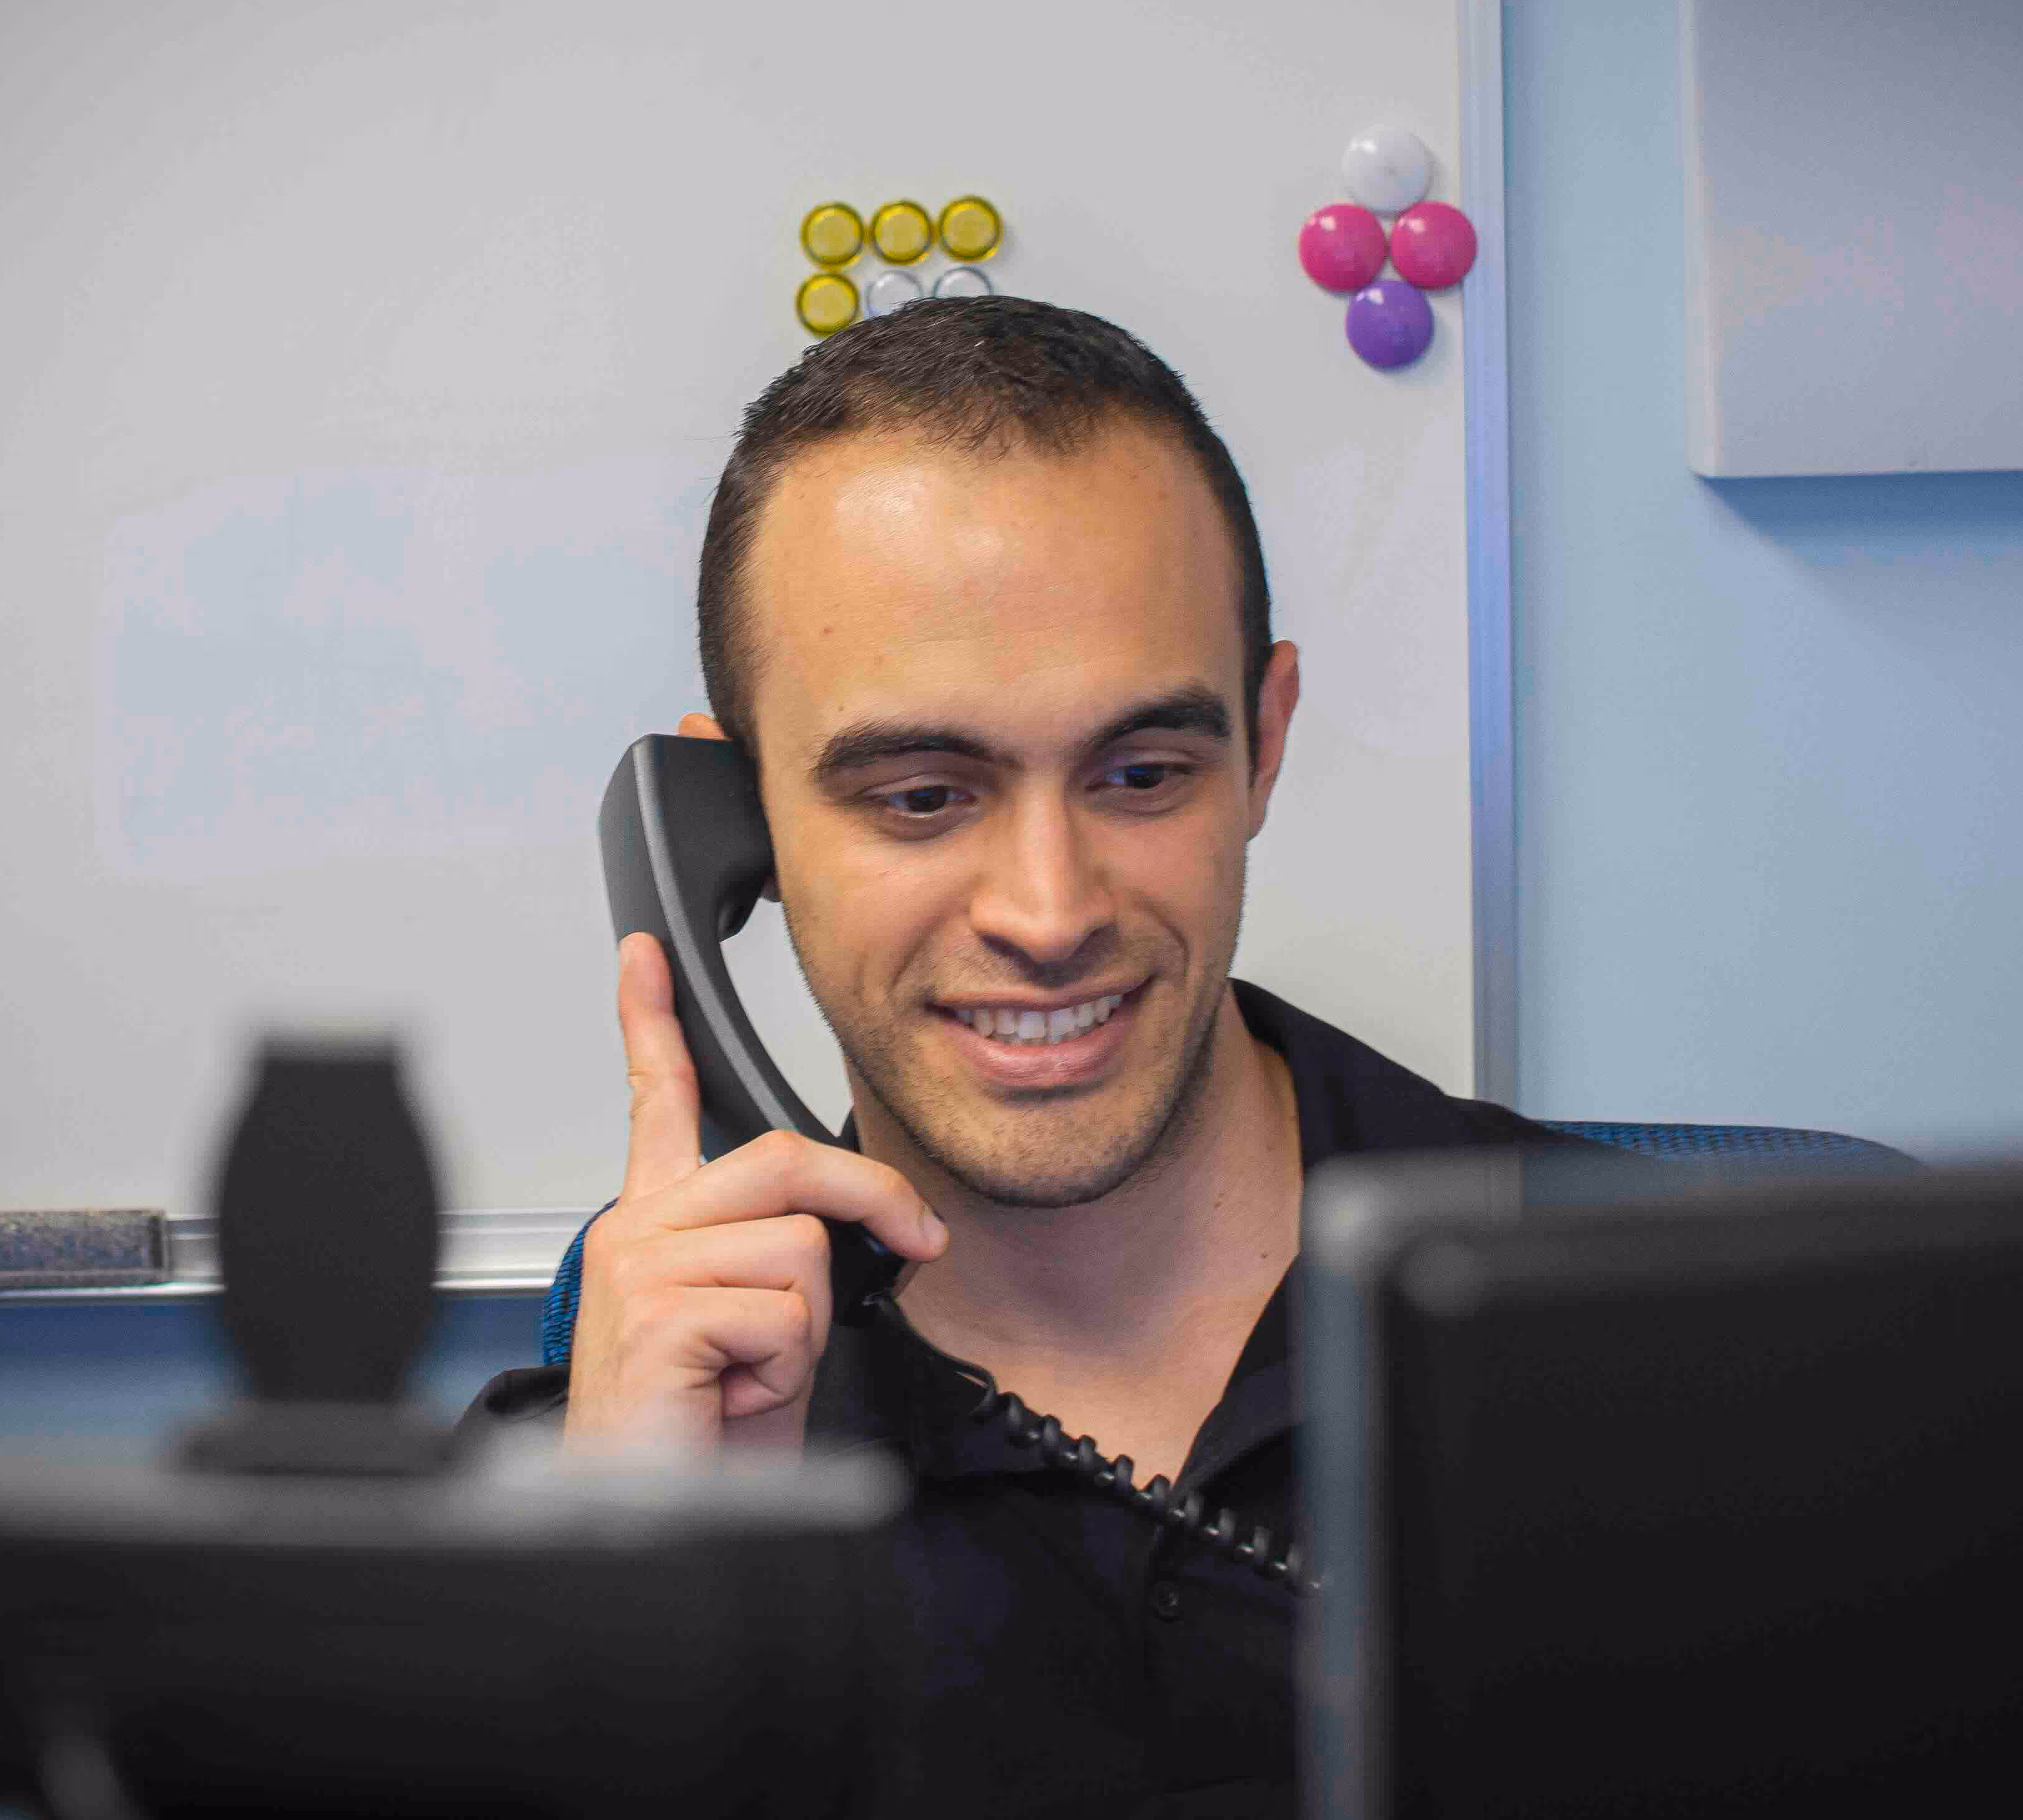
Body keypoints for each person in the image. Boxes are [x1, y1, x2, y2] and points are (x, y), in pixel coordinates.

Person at [469, 297, 1636, 1816]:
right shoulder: (590, 1480)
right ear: (735, 823)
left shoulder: (1677, 1330)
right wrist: (638, 1620)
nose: (1049, 911)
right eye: (921, 796)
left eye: (1142, 774)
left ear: (1265, 745)